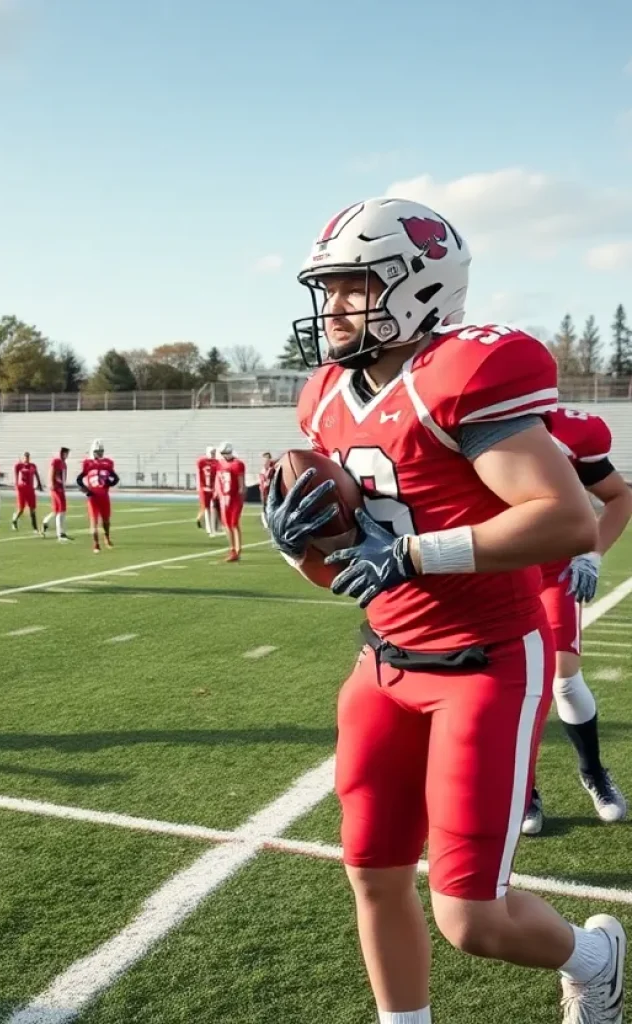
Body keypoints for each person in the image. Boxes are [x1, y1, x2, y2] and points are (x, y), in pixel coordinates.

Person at [267, 196, 625, 1024]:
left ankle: (596, 957)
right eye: (329, 287)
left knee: (471, 918)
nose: (333, 306)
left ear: (419, 284)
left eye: (354, 286)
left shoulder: (461, 375)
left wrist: (419, 552)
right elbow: (345, 574)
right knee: (373, 873)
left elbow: (568, 518)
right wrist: (298, 546)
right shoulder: (324, 395)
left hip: (486, 660)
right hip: (383, 661)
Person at [522, 406, 632, 835]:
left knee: (563, 679)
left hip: (551, 571)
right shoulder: (458, 428)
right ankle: (523, 787)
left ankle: (593, 772)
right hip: (489, 573)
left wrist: (591, 552)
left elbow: (620, 497)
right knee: (509, 683)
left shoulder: (569, 429)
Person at [76, 439, 119, 553]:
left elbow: (116, 478)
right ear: (93, 451)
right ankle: (96, 543)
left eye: (101, 451)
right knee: (93, 521)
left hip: (104, 496)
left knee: (106, 521)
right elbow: (79, 479)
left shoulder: (107, 463)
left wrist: (109, 483)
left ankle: (107, 537)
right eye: (98, 451)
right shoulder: (88, 463)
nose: (100, 453)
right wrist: (86, 491)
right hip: (93, 497)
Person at [214, 442, 245, 562]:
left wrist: (240, 495)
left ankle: (238, 550)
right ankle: (232, 549)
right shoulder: (220, 464)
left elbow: (241, 483)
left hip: (234, 498)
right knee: (227, 524)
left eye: (225, 453)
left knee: (234, 523)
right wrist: (217, 492)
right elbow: (217, 478)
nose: (224, 455)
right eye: (222, 453)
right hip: (224, 498)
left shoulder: (238, 464)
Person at [41, 447, 72, 541]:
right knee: (61, 510)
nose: (67, 455)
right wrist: (52, 484)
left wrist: (63, 487)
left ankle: (45, 522)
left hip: (60, 489)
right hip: (56, 489)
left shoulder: (64, 463)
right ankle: (60, 534)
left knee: (57, 510)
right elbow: (52, 472)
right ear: (62, 453)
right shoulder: (56, 461)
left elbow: (63, 478)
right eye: (66, 453)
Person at [12, 452, 43, 533]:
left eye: (28, 457)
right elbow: (16, 476)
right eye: (25, 457)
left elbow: (36, 475)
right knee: (21, 509)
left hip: (30, 489)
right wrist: (16, 485)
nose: (26, 458)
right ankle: (14, 520)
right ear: (23, 458)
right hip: (22, 489)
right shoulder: (19, 466)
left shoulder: (33, 466)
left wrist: (39, 484)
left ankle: (35, 528)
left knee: (32, 509)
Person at [195, 446, 220, 535]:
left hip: (213, 489)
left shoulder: (217, 462)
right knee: (206, 508)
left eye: (214, 452)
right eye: (212, 452)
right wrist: (199, 486)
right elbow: (198, 474)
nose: (213, 454)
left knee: (215, 507)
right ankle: (209, 529)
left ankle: (214, 528)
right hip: (205, 488)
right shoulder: (201, 462)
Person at [258, 451, 275, 528]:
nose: (265, 461)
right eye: (264, 459)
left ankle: (271, 521)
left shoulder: (272, 469)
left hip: (271, 490)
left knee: (271, 506)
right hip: (264, 491)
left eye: (267, 459)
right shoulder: (262, 471)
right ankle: (265, 520)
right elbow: (262, 482)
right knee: (264, 506)